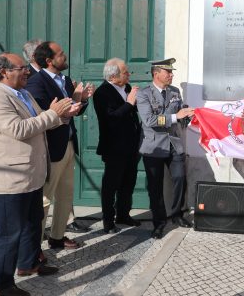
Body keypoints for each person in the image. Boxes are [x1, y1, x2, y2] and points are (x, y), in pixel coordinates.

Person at [0, 53, 77, 296]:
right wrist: (51, 114)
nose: (27, 72)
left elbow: (41, 121)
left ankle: (29, 263)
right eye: (21, 68)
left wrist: (63, 115)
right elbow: (19, 129)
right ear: (4, 72)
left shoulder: (23, 93)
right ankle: (0, 284)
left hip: (32, 174)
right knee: (10, 234)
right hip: (10, 179)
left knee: (33, 223)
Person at [26, 41, 94, 250]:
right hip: (51, 147)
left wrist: (81, 100)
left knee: (66, 195)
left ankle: (57, 236)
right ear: (49, 61)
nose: (65, 56)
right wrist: (65, 112)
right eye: (61, 54)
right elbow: (41, 115)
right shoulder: (36, 82)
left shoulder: (64, 80)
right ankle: (34, 248)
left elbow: (73, 110)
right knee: (45, 199)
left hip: (68, 144)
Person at [136, 58, 195, 239]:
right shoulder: (144, 94)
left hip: (174, 144)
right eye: (167, 72)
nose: (171, 75)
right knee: (155, 187)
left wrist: (188, 116)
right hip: (153, 146)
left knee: (180, 178)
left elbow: (180, 118)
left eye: (171, 72)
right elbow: (150, 121)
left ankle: (176, 214)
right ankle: (159, 222)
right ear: (156, 74)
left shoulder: (175, 91)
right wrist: (177, 116)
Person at [93, 58, 142, 233]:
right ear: (113, 77)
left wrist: (135, 103)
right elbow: (111, 118)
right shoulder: (102, 93)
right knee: (111, 185)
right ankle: (108, 220)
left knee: (128, 183)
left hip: (132, 146)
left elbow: (133, 112)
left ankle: (124, 214)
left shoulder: (127, 88)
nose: (129, 75)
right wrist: (129, 103)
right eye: (125, 72)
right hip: (114, 148)